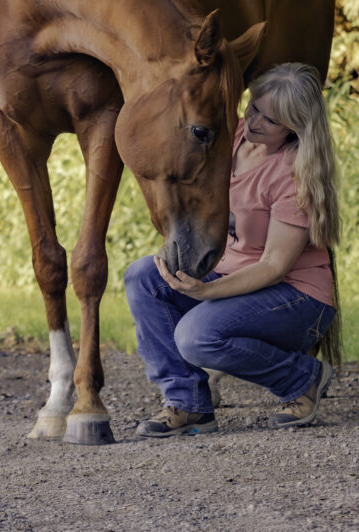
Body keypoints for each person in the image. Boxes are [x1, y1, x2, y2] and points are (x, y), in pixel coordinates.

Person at [124, 62, 342, 437]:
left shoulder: (293, 174)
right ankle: (188, 402)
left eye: (269, 120)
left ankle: (302, 378)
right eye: (253, 107)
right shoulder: (233, 135)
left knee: (197, 337)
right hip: (236, 278)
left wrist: (206, 291)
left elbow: (274, 265)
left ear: (294, 127)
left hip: (296, 299)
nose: (253, 120)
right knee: (143, 277)